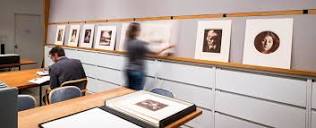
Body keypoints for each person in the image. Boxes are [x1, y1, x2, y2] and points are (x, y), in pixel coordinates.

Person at [124, 22, 175, 90]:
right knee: (136, 93)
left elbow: (139, 52)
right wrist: (168, 47)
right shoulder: (139, 43)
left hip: (128, 70)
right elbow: (155, 53)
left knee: (129, 91)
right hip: (137, 72)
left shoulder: (127, 42)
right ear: (137, 31)